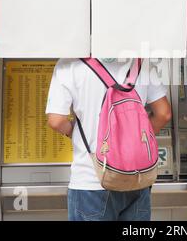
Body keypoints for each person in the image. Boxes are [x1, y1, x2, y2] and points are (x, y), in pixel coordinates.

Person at [45, 58, 171, 221]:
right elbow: (164, 113)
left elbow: (56, 120)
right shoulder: (142, 63)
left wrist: (73, 134)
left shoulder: (70, 64)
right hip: (137, 178)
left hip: (91, 179)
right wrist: (136, 142)